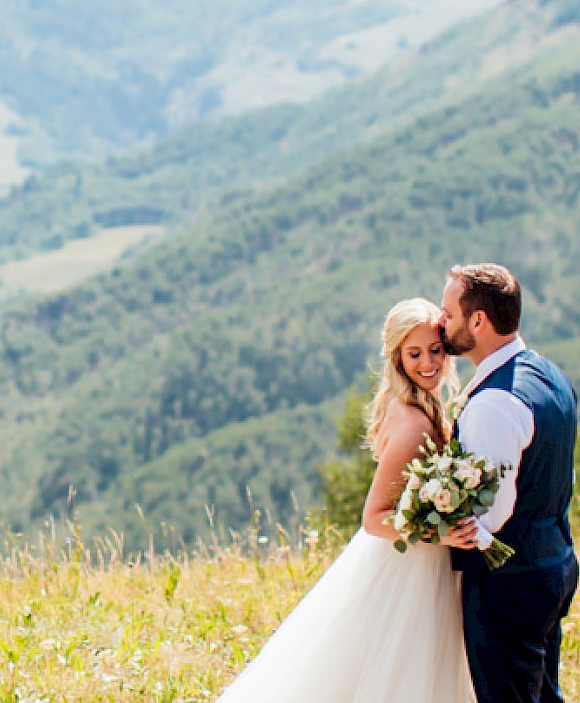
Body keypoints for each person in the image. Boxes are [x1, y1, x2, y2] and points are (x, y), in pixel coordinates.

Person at [216, 297, 475, 702]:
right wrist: (441, 535)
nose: (428, 362)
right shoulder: (412, 423)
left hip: (420, 561)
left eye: (435, 350)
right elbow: (374, 518)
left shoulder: (419, 405)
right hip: (409, 569)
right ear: (397, 358)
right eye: (414, 354)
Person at [437, 263, 578, 703]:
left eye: (448, 313)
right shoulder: (548, 374)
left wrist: (436, 520)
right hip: (554, 561)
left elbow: (488, 516)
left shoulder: (493, 403)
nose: (442, 323)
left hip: (510, 582)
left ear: (478, 321)